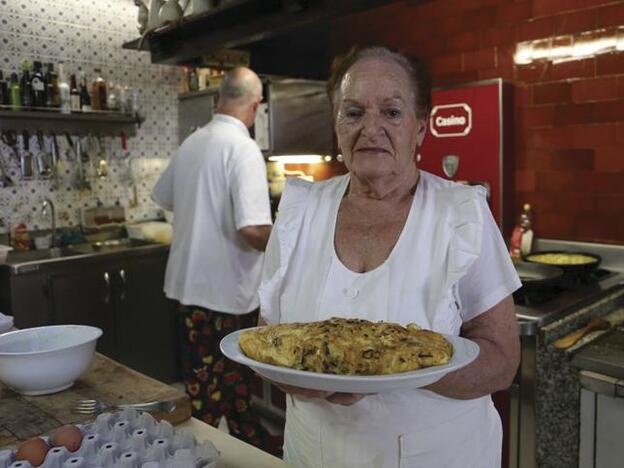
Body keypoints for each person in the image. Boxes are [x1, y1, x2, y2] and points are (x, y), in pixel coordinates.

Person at [258, 46, 521, 467]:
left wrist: (399, 369)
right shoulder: (297, 212)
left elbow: (502, 360)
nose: (371, 128)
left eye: (392, 113)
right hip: (314, 453)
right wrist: (298, 376)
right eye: (354, 112)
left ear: (420, 128)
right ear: (336, 123)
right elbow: (263, 340)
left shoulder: (461, 214)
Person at [152, 67, 274, 451]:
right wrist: (296, 241)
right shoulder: (243, 149)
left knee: (217, 390)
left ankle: (244, 451)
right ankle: (198, 456)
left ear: (218, 98)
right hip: (224, 297)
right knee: (216, 396)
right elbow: (252, 230)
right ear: (255, 106)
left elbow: (164, 196)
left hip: (188, 292)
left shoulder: (192, 143)